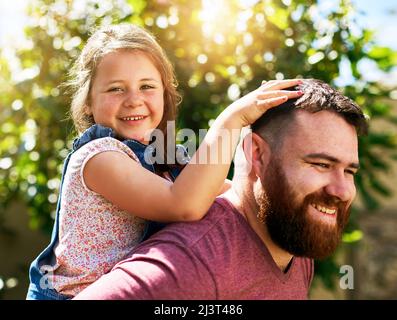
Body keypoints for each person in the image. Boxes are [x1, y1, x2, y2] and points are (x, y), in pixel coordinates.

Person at [26, 23, 303, 300]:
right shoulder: (99, 158)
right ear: (88, 101)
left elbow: (233, 198)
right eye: (115, 89)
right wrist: (232, 120)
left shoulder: (169, 160)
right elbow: (185, 205)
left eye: (146, 86)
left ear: (164, 93)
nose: (134, 100)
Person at [73, 79, 368, 300]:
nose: (341, 189)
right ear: (257, 155)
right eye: (319, 164)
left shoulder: (295, 236)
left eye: (349, 171)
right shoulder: (193, 261)